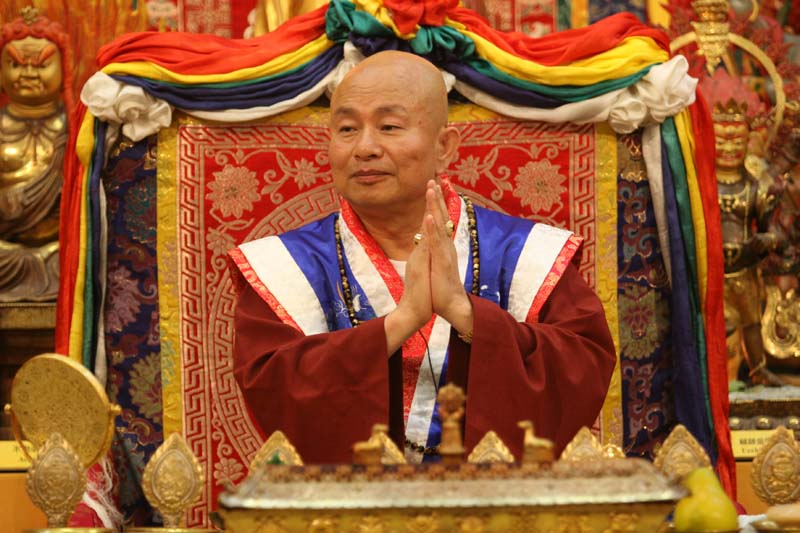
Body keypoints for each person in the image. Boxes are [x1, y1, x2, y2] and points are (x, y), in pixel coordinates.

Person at [229, 50, 616, 464]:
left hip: (496, 498)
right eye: (346, 129)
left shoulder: (526, 254)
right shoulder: (285, 267)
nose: (365, 147)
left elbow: (581, 369)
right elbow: (274, 392)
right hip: (348, 502)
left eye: (389, 126)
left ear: (444, 146)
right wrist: (402, 321)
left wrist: (464, 313)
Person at [0, 7, 74, 302]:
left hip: (59, 250)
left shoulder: (76, 126)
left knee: (87, 258)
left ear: (64, 67)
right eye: (16, 65)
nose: (28, 74)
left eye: (41, 65)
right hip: (6, 251)